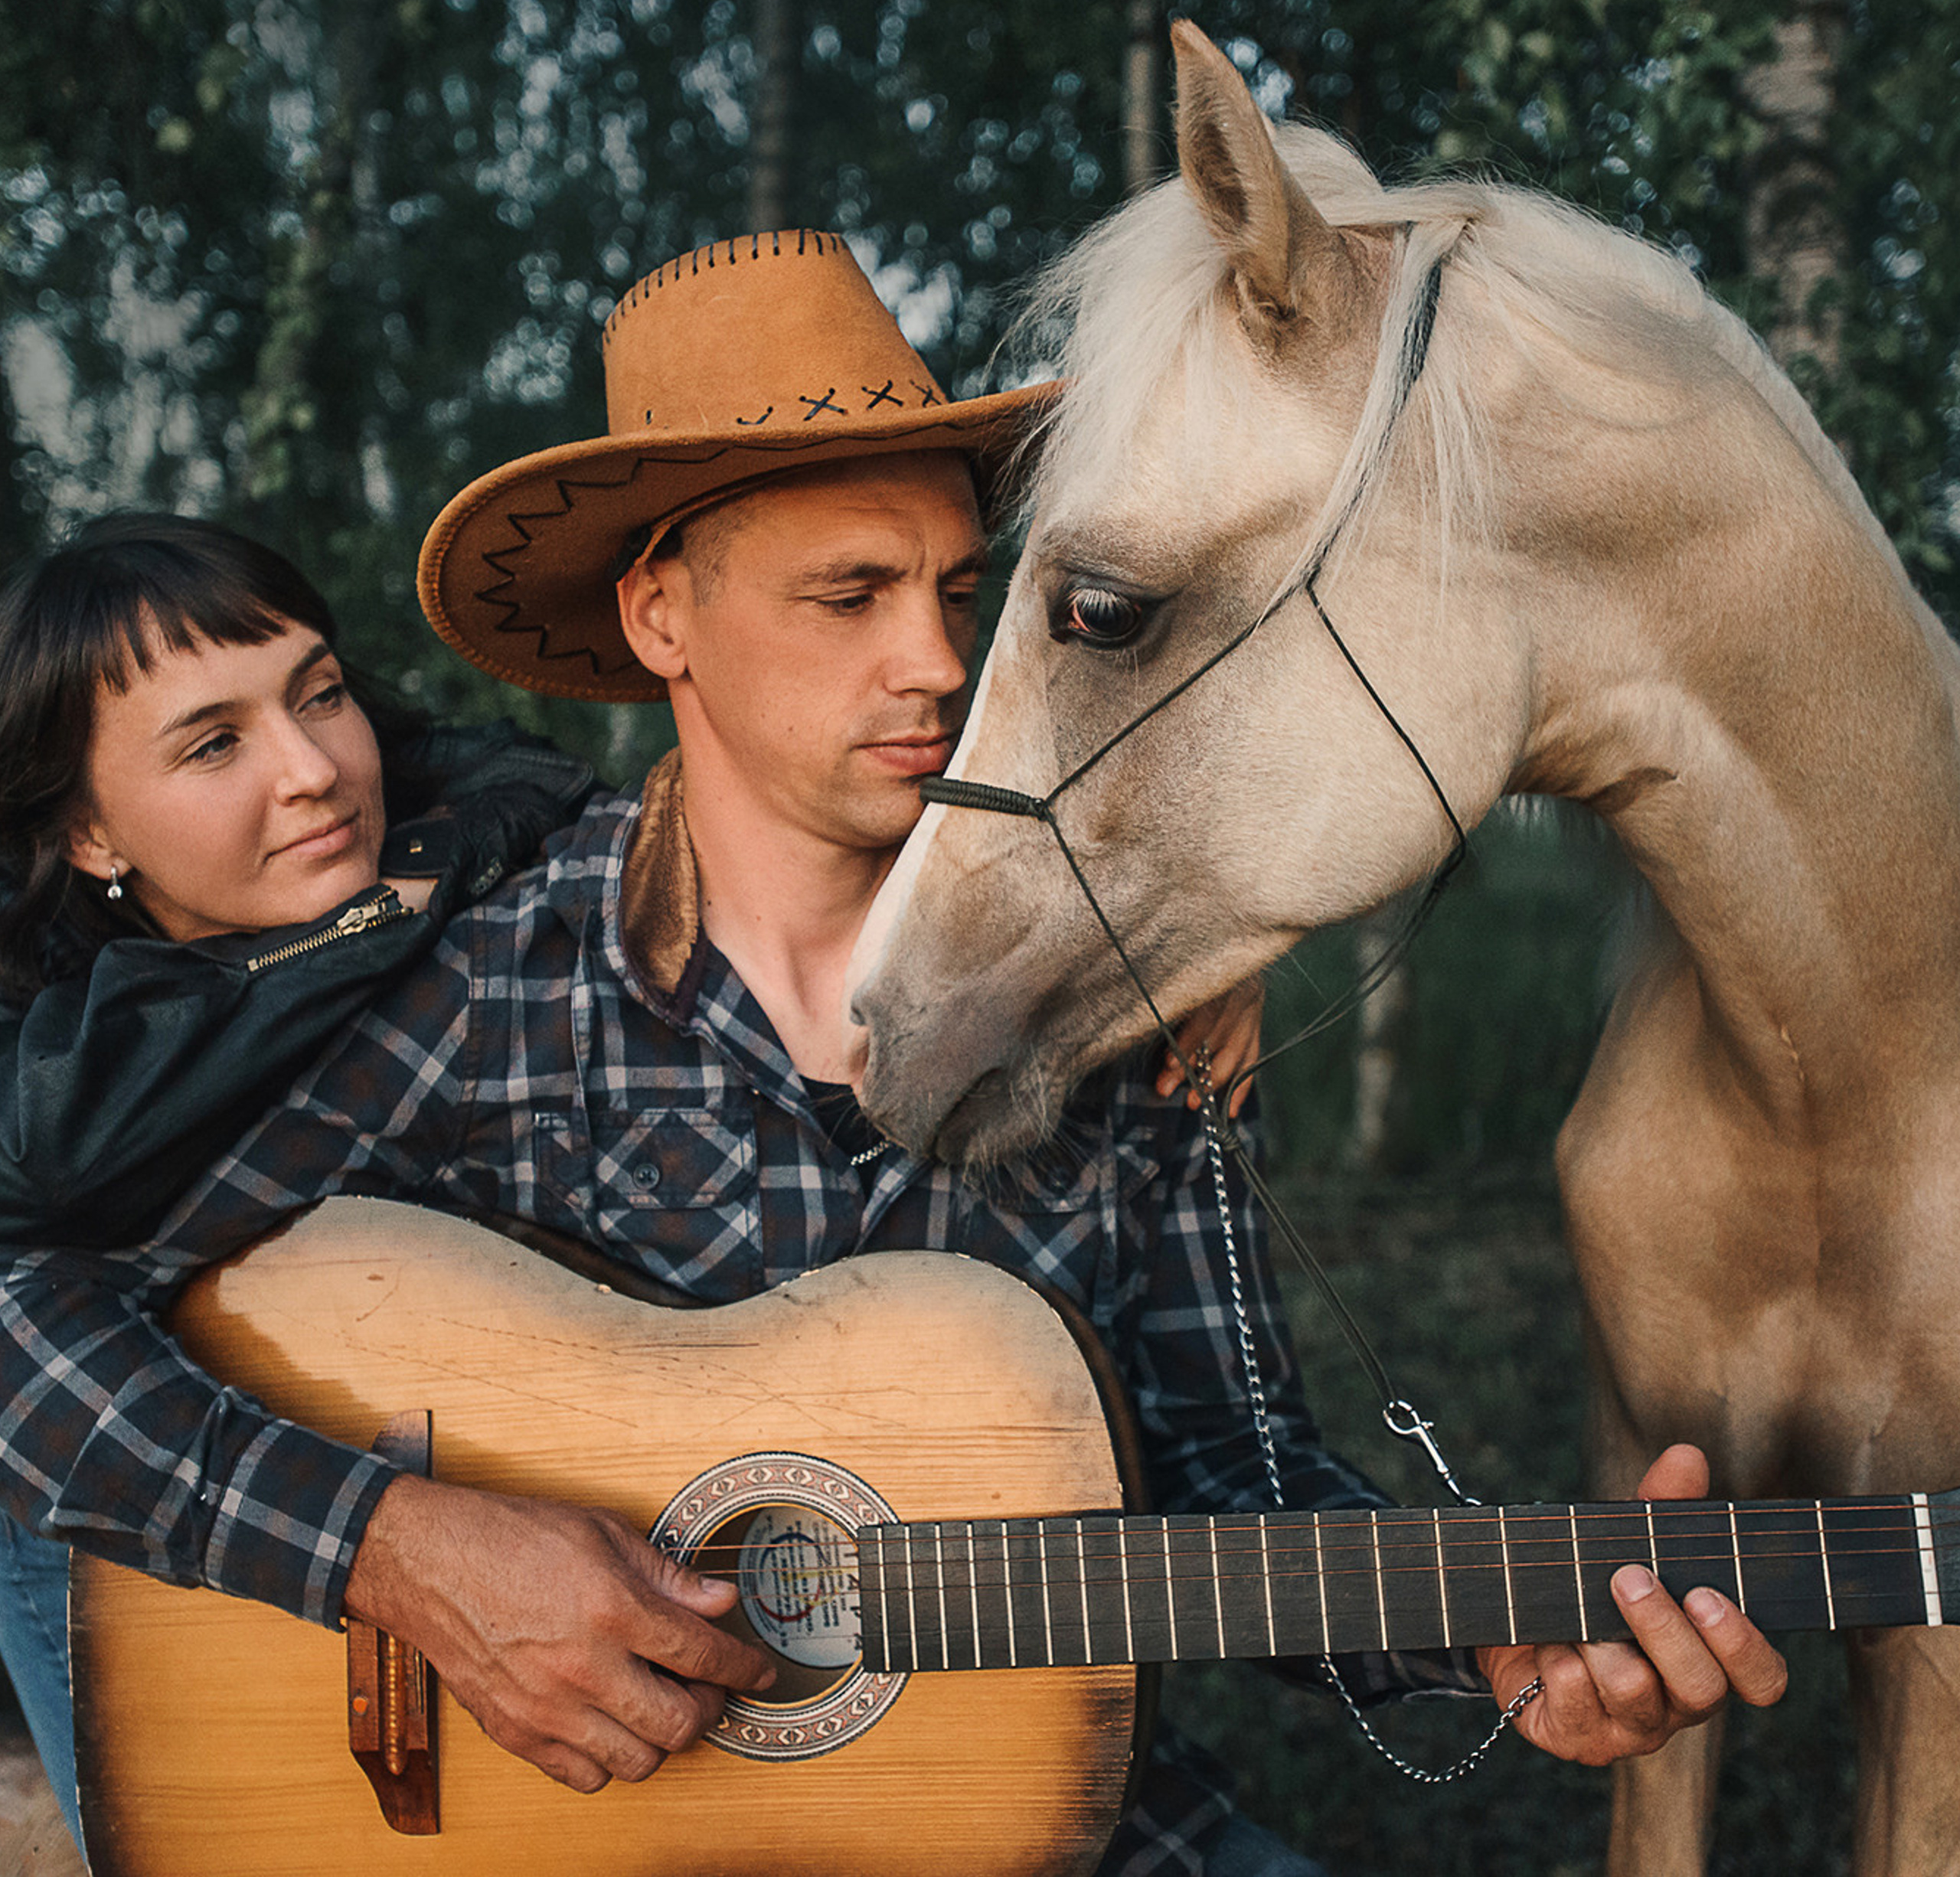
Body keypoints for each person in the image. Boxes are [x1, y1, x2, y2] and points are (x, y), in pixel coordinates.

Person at [0, 237, 1785, 1874]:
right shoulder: (461, 979)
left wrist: (1486, 1621)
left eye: (954, 585)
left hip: (1032, 1825)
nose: (935, 659)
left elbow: (1231, 1474)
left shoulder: (1120, 999)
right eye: (847, 595)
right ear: (660, 620)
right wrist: (389, 1540)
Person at [0, 513, 594, 1840]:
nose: (315, 772)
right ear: (93, 837)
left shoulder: (486, 831)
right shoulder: (50, 1048)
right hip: (135, 1538)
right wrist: (365, 927)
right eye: (214, 744)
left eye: (320, 696)